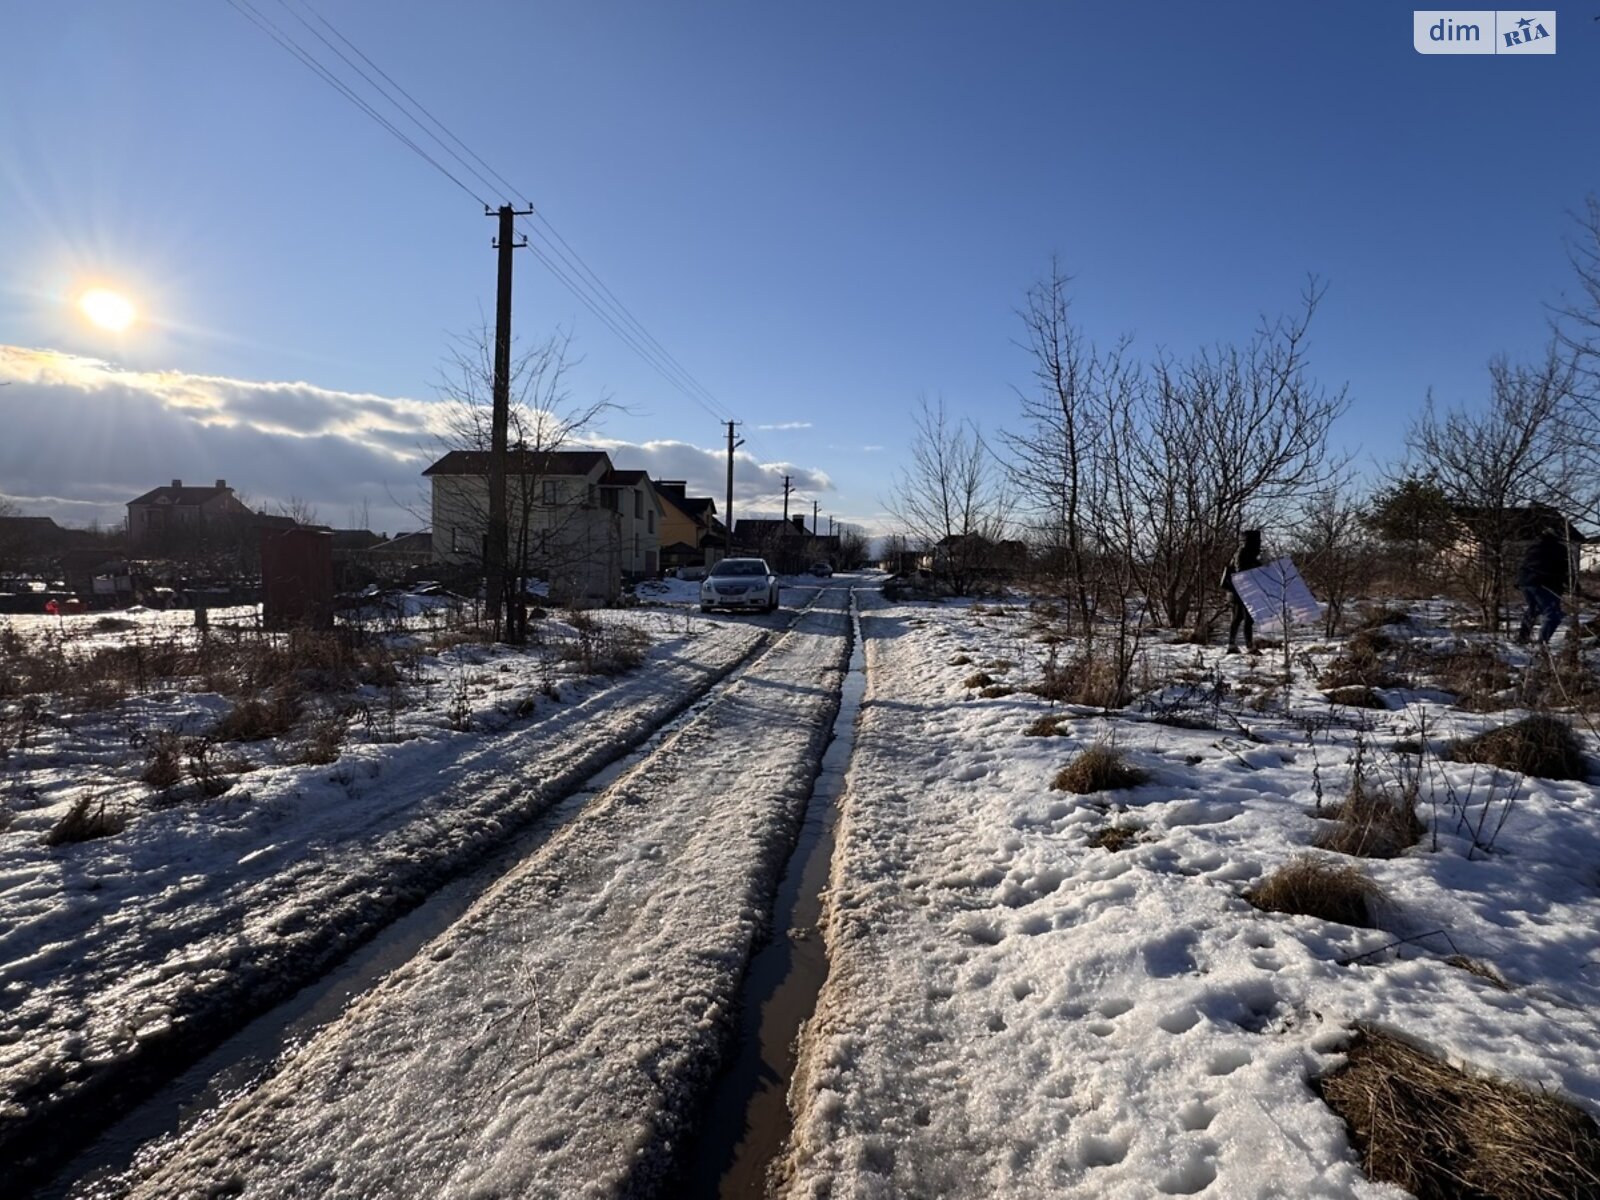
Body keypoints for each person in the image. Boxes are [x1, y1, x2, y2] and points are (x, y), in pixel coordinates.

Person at [1515, 527, 1569, 647]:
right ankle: (1542, 643)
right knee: (1553, 614)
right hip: (1544, 583)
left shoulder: (1533, 546)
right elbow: (1565, 570)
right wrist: (1574, 586)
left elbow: (1523, 564)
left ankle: (1522, 638)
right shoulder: (1559, 549)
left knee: (1533, 609)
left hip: (1525, 582)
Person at [1222, 529, 1262, 653]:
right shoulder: (1242, 553)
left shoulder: (1248, 553)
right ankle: (1246, 646)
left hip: (1240, 592)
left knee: (1240, 618)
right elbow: (1241, 571)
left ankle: (1234, 645)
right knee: (1245, 619)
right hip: (1239, 592)